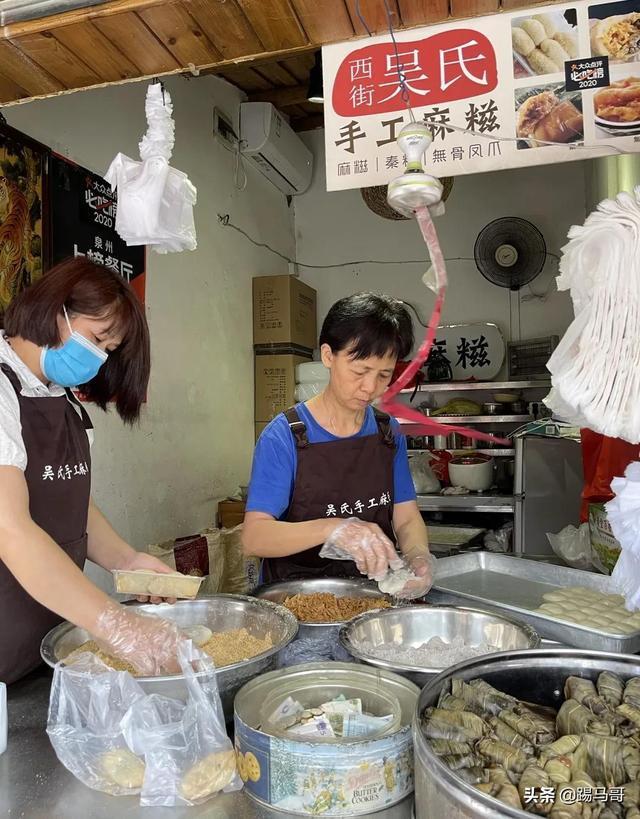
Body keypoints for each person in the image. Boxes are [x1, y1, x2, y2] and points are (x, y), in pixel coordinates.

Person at [0, 257, 183, 685]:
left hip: (41, 637)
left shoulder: (63, 402)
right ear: (55, 310)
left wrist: (126, 560)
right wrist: (116, 624)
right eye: (98, 339)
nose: (98, 359)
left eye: (109, 351)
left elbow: (70, 502)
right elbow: (11, 530)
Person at [243, 292, 433, 598]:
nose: (370, 387)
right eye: (359, 371)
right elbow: (254, 537)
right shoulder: (285, 437)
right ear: (328, 356)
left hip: (372, 599)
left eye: (384, 374)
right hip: (295, 603)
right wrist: (334, 529)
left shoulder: (387, 432)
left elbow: (407, 517)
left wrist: (418, 557)